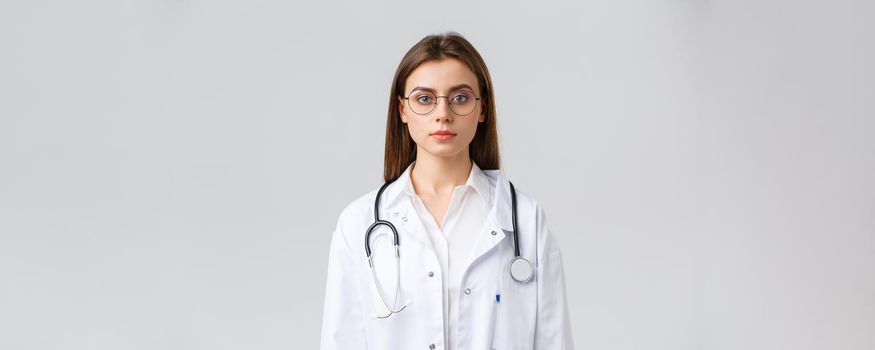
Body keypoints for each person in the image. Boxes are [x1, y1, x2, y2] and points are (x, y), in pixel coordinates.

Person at [320, 32, 574, 349]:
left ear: (482, 109)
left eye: (460, 98)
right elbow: (342, 339)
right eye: (425, 99)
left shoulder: (525, 219)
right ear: (402, 109)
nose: (443, 114)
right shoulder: (358, 223)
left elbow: (553, 340)